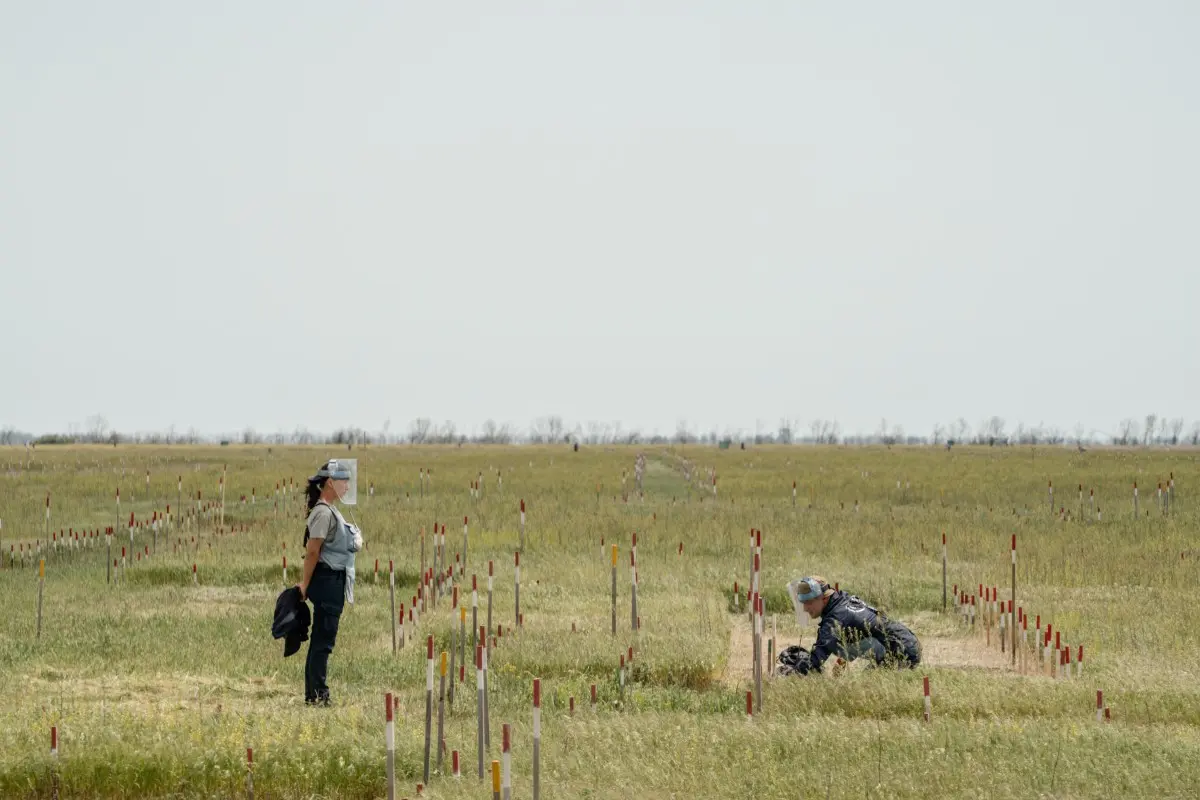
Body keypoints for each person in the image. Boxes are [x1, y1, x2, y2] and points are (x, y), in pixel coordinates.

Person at [298, 460, 362, 705]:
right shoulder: (323, 513)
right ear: (329, 483)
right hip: (327, 581)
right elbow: (313, 551)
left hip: (334, 581)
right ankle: (317, 695)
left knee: (323, 639)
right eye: (344, 481)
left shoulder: (331, 510)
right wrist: (304, 585)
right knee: (323, 641)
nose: (347, 486)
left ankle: (315, 693)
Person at [778, 576, 920, 676]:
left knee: (866, 690)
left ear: (825, 598)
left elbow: (815, 661)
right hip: (907, 642)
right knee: (865, 682)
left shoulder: (834, 619)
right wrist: (841, 660)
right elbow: (854, 634)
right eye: (803, 603)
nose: (805, 608)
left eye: (809, 602)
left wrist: (790, 672)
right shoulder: (842, 600)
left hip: (902, 652)